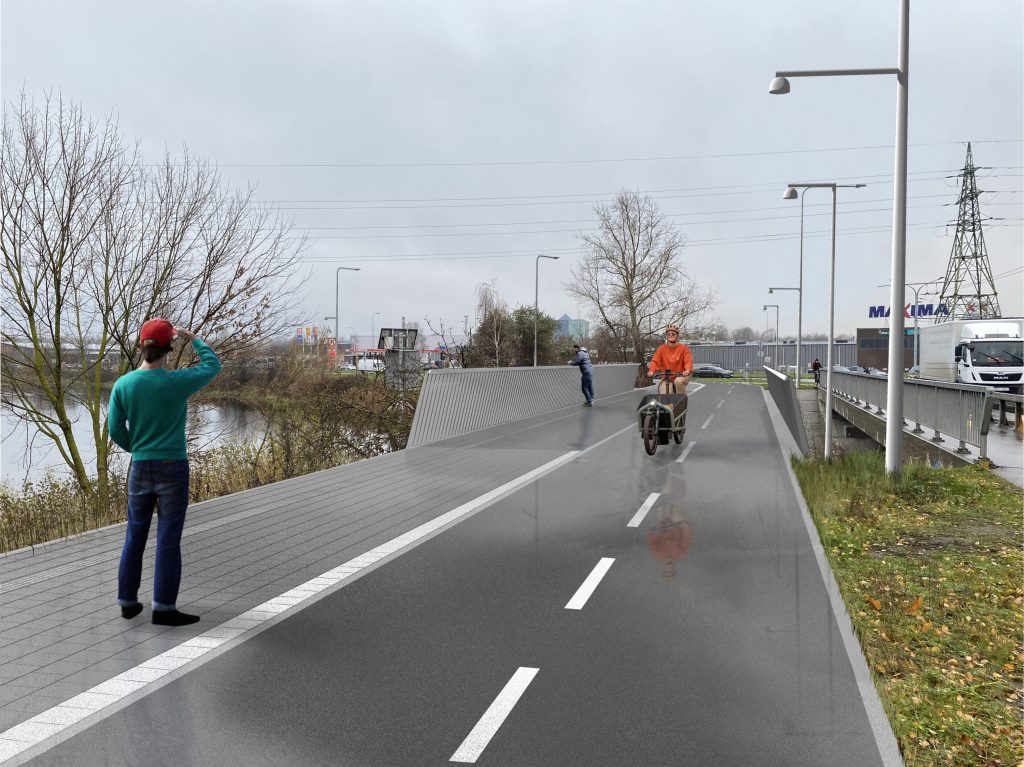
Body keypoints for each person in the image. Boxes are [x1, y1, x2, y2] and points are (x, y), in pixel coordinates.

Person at [109, 319, 221, 626]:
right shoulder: (176, 382)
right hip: (172, 467)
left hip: (140, 469)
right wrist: (195, 338)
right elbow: (213, 365)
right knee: (168, 539)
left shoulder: (123, 384)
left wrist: (138, 448)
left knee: (134, 535)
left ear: (141, 348)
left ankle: (128, 603)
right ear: (168, 351)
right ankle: (163, 608)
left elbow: (115, 429)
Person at [646, 324, 693, 394]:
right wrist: (652, 371)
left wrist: (687, 370)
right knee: (664, 394)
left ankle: (681, 402)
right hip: (666, 378)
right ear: (666, 336)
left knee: (678, 381)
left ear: (677, 336)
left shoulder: (683, 348)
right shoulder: (661, 348)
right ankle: (667, 405)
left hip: (681, 376)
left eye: (673, 334)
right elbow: (655, 360)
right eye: (668, 334)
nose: (671, 335)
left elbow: (688, 360)